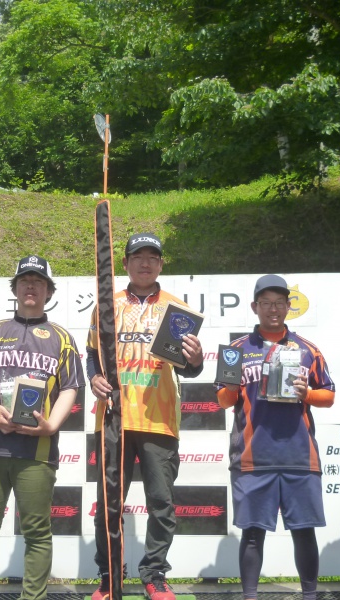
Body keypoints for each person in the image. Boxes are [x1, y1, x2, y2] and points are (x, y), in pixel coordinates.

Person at [0, 255, 85, 600]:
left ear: (48, 291)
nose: (31, 286)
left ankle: (33, 597)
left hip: (37, 451)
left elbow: (72, 386)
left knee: (36, 532)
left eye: (39, 281)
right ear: (15, 288)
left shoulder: (61, 337)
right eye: (25, 281)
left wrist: (52, 426)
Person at [87, 233, 204, 600]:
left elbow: (187, 368)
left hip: (160, 421)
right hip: (113, 418)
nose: (145, 263)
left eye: (152, 257)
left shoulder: (176, 308)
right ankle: (110, 576)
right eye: (138, 256)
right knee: (108, 504)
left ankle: (154, 575)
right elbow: (93, 354)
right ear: (125, 263)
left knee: (161, 503)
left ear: (161, 264)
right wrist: (94, 377)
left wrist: (197, 358)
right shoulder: (107, 305)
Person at [215, 274, 335, 600]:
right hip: (253, 456)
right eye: (266, 302)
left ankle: (310, 595)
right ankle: (250, 596)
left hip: (299, 455)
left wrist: (306, 393)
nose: (273, 308)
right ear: (255, 307)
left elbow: (329, 396)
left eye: (279, 302)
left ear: (288, 307)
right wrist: (232, 384)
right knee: (253, 534)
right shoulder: (237, 350)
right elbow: (223, 401)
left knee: (303, 531)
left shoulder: (309, 350)